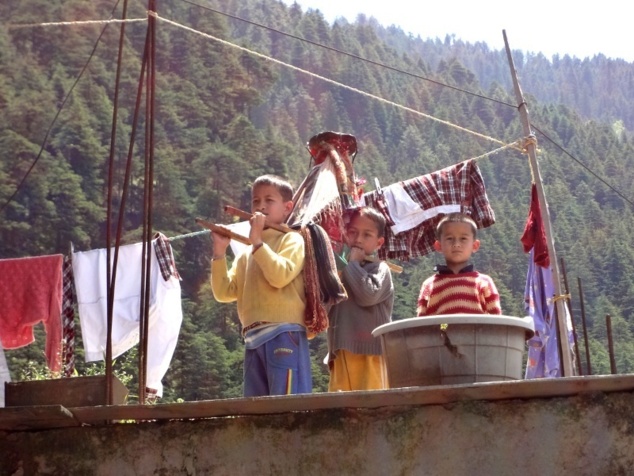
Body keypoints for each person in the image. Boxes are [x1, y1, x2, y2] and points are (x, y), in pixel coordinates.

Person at [210, 174, 311, 397]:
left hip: (284, 332)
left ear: (287, 207)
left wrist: (257, 242)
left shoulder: (291, 240)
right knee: (257, 408)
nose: (261, 206)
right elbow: (224, 292)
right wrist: (219, 253)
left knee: (287, 406)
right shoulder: (247, 252)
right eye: (256, 201)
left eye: (269, 200)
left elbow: (280, 276)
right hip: (253, 337)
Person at [327, 207, 394, 391]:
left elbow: (368, 295)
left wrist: (354, 264)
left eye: (366, 235)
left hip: (372, 351)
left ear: (379, 242)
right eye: (353, 232)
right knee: (341, 410)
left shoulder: (381, 270)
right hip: (341, 349)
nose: (358, 239)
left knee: (372, 406)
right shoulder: (339, 270)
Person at [417, 212, 502, 316]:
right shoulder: (429, 285)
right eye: (450, 239)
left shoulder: (484, 282)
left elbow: (497, 323)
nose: (456, 244)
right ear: (438, 246)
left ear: (475, 245)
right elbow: (421, 325)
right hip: (441, 332)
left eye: (463, 239)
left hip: (476, 333)